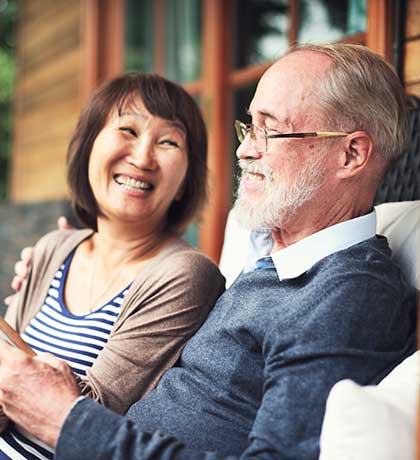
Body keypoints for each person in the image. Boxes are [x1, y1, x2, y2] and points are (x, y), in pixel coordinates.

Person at [0, 43, 417, 460]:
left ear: (351, 154)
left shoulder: (347, 295)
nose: (244, 150)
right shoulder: (275, 261)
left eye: (269, 130)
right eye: (249, 127)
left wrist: (63, 419)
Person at [0, 73, 225, 459]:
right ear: (88, 148)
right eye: (127, 131)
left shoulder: (184, 274)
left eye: (168, 141)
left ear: (187, 179)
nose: (142, 158)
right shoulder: (54, 248)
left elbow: (88, 415)